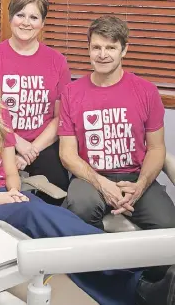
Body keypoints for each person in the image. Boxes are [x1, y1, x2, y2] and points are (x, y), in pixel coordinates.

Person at [0, 37, 174, 305]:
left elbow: (9, 174)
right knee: (32, 212)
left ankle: (136, 291)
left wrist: (14, 192)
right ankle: (126, 259)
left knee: (52, 237)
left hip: (1, 198)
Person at [58, 15, 175, 231]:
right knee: (80, 208)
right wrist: (103, 184)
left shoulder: (147, 92)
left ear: (124, 50)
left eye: (110, 48)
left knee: (168, 225)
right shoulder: (71, 93)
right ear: (89, 49)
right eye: (96, 48)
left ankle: (143, 267)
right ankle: (98, 265)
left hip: (135, 176)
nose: (102, 55)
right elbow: (67, 155)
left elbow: (157, 148)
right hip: (90, 176)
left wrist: (140, 186)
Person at [0, 0, 70, 200]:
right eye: (20, 15)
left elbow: (60, 117)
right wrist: (16, 142)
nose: (26, 22)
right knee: (0, 196)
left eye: (34, 17)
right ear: (10, 17)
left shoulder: (57, 61)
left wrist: (30, 150)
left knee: (58, 192)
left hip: (42, 144)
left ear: (42, 24)